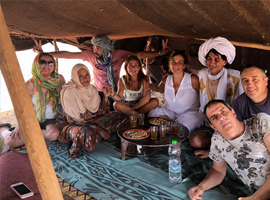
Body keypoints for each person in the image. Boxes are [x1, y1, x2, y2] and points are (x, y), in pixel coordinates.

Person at [34, 36, 170, 109]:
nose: (95, 51)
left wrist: (159, 53)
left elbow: (138, 54)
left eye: (98, 48)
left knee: (117, 107)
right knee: (104, 112)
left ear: (106, 48)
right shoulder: (91, 56)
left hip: (116, 90)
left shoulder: (118, 54)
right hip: (99, 92)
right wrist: (45, 53)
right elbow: (68, 54)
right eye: (94, 47)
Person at [188, 99, 270, 200]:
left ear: (233, 113)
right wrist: (201, 187)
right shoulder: (218, 140)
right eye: (214, 117)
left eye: (223, 111)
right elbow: (218, 171)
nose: (221, 117)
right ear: (213, 127)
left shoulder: (260, 122)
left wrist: (255, 198)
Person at [188, 36, 244, 158]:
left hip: (229, 124)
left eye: (216, 59)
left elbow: (242, 104)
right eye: (209, 59)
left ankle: (219, 150)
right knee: (195, 140)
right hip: (211, 125)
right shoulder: (202, 74)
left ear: (224, 62)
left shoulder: (235, 77)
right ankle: (223, 146)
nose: (212, 63)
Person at [55, 64, 123, 158]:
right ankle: (75, 147)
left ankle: (95, 137)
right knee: (83, 132)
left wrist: (106, 97)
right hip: (72, 125)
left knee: (118, 115)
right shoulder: (69, 92)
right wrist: (99, 130)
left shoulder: (92, 89)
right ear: (75, 77)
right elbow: (74, 121)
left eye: (87, 74)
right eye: (81, 76)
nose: (85, 78)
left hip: (91, 121)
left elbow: (101, 112)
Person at [0, 53, 66, 149]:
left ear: (54, 66)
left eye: (50, 63)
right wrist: (19, 126)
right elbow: (21, 107)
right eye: (43, 62)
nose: (47, 66)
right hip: (33, 119)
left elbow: (66, 97)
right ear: (36, 64)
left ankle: (30, 135)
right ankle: (4, 130)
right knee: (11, 142)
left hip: (52, 120)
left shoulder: (59, 79)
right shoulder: (29, 85)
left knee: (54, 134)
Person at [148, 50, 204, 133]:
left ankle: (167, 125)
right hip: (170, 112)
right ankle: (170, 123)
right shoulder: (167, 79)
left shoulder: (192, 79)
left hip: (189, 114)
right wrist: (145, 84)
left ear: (184, 66)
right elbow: (159, 89)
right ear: (170, 64)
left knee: (184, 126)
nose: (176, 65)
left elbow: (204, 95)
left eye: (180, 62)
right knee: (152, 114)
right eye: (173, 62)